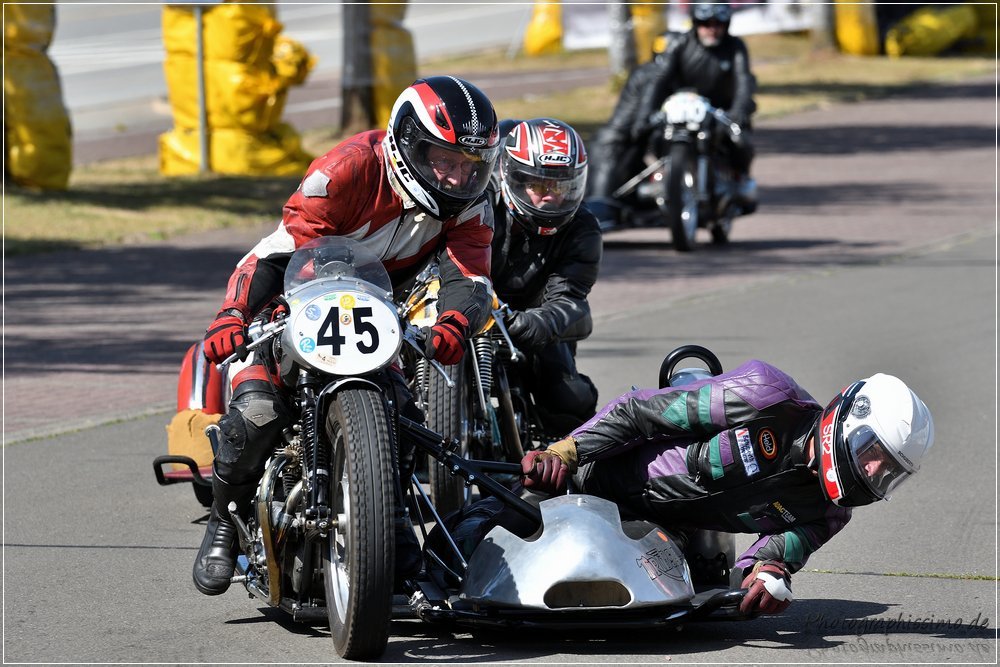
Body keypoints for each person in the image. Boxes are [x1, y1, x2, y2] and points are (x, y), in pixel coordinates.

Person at [192, 75, 501, 596]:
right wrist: (233, 314)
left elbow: (470, 275)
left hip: (373, 315)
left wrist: (454, 321)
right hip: (290, 305)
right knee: (257, 416)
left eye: (470, 165)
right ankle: (225, 519)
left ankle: (390, 521)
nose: (456, 177)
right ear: (408, 143)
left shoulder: (471, 201)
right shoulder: (346, 170)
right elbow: (278, 252)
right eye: (443, 159)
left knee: (405, 415)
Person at [520, 361, 934, 616]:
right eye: (873, 452)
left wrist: (767, 574)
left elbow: (776, 553)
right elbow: (639, 414)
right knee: (508, 518)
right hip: (592, 476)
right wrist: (567, 452)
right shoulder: (764, 394)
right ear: (846, 421)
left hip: (664, 536)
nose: (874, 472)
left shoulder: (831, 514)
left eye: (888, 471)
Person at [586, 2, 757, 227]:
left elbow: (744, 81)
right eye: (705, 23)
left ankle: (740, 186)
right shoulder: (680, 45)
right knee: (637, 138)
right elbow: (660, 79)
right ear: (695, 23)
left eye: (718, 23)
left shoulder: (735, 47)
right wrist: (645, 115)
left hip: (719, 113)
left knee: (741, 141)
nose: (712, 28)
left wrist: (738, 112)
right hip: (684, 115)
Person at [489, 117, 603, 435]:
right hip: (466, 305)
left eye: (561, 186)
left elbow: (570, 298)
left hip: (530, 321)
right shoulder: (479, 202)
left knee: (569, 399)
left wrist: (535, 324)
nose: (551, 196)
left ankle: (570, 456)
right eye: (539, 185)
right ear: (514, 177)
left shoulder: (583, 229)